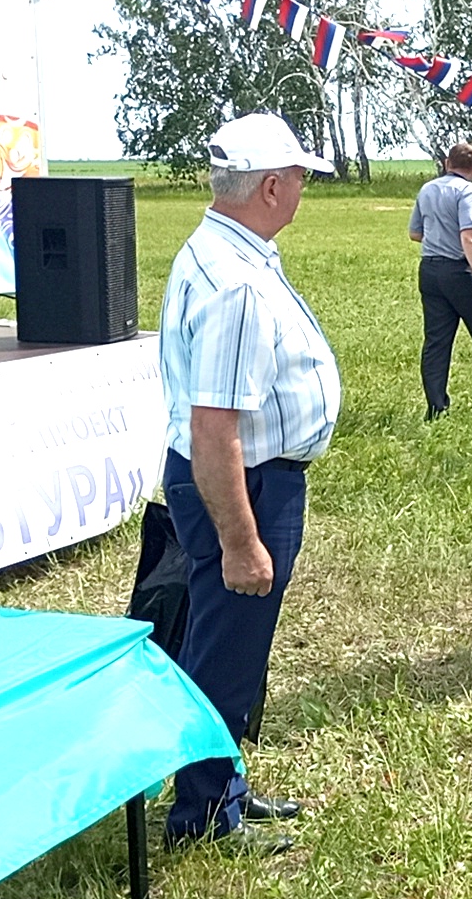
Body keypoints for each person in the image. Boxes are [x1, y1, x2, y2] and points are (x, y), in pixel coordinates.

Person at [158, 112, 340, 853]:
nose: (302, 189)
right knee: (225, 649)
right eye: (298, 176)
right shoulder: (234, 283)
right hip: (245, 485)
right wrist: (241, 542)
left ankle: (224, 785)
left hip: (245, 477)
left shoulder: (226, 253)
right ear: (270, 185)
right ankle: (203, 818)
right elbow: (214, 429)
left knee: (231, 642)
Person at [410, 142, 472, 419]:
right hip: (459, 272)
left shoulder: (427, 189)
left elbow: (415, 233)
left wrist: (438, 238)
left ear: (447, 163)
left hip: (430, 270)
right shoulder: (468, 192)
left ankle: (436, 407)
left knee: (436, 342)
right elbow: (470, 236)